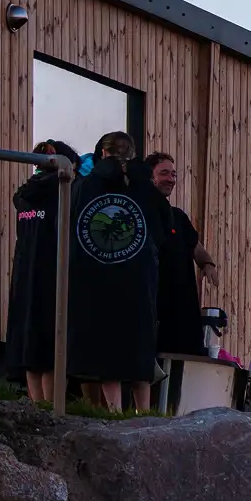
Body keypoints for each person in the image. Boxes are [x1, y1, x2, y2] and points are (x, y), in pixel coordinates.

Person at [67, 131, 162, 411]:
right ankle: (143, 412)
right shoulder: (145, 185)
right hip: (140, 278)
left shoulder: (85, 185)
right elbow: (162, 228)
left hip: (98, 276)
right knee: (139, 343)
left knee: (107, 344)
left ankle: (115, 412)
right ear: (132, 153)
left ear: (104, 153)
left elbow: (73, 226)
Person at [4, 139, 79, 403]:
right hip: (54, 273)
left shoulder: (25, 195)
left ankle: (37, 407)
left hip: (25, 273)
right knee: (52, 345)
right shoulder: (64, 192)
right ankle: (53, 407)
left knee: (30, 341)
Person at [144, 152, 218, 359]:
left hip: (183, 308)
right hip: (155, 305)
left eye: (174, 174)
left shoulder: (178, 216)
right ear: (149, 177)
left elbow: (196, 247)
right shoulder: (141, 213)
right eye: (164, 173)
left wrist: (208, 264)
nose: (170, 179)